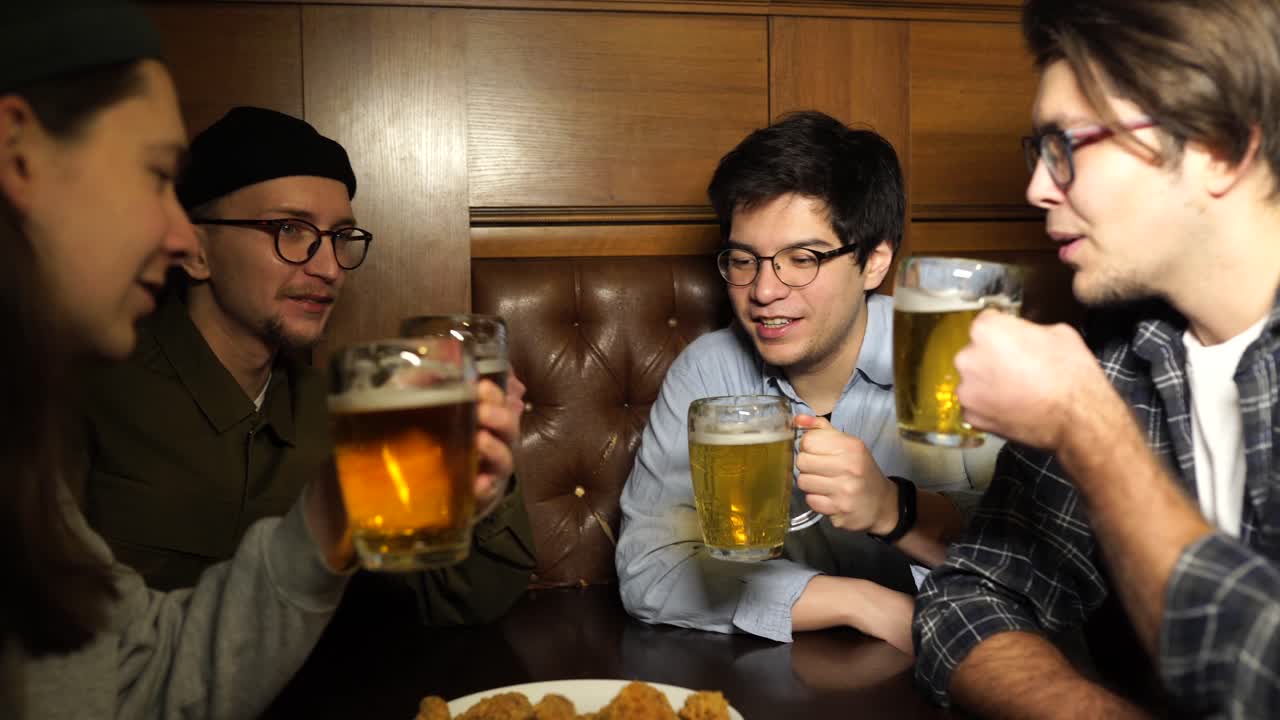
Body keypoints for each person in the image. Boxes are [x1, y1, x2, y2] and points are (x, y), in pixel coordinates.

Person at [0, 3, 405, 717]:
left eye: (339, 238)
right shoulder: (82, 401)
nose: (174, 230)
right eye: (156, 175)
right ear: (17, 153)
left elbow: (137, 679)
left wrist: (338, 504)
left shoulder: (331, 405)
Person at [914, 1, 1280, 717]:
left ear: (1219, 147)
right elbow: (963, 601)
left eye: (1069, 144)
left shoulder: (1087, 390)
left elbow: (1260, 670)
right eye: (1040, 148)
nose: (1038, 187)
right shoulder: (1126, 344)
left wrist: (1086, 426)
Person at [81, 106, 535, 625]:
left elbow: (457, 600)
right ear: (195, 251)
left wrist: (482, 481)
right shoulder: (88, 397)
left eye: (341, 237)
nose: (328, 268)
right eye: (290, 229)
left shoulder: (353, 412)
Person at [616, 111, 998, 655]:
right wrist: (861, 602)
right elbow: (649, 567)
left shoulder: (959, 360)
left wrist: (892, 508)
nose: (764, 290)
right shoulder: (708, 371)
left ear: (873, 262)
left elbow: (1033, 564)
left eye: (802, 259)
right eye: (743, 260)